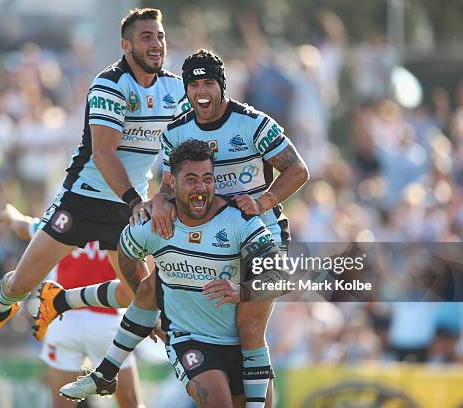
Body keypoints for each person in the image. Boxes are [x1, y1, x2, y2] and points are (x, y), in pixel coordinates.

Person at [39, 49, 309, 407]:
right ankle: (105, 367)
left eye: (208, 83)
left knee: (248, 329)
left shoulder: (253, 122)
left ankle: (83, 331)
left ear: (221, 85)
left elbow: (298, 170)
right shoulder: (177, 130)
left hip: (257, 235)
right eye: (193, 84)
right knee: (151, 287)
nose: (201, 91)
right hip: (203, 232)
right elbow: (169, 185)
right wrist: (161, 202)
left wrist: (263, 202)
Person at [0, 8, 187, 352]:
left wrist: (163, 193)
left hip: (129, 206)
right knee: (21, 284)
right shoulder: (110, 83)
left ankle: (60, 301)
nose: (157, 44)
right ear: (126, 46)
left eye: (160, 36)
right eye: (147, 37)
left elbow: (182, 149)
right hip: (84, 200)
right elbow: (103, 153)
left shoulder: (175, 88)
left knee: (142, 296)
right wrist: (136, 201)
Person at [60, 140, 293, 407]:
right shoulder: (153, 225)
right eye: (191, 179)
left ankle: (104, 370)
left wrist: (242, 291)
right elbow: (126, 253)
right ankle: (104, 369)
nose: (201, 187)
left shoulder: (240, 222)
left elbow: (284, 277)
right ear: (172, 182)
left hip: (241, 346)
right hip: (191, 342)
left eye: (207, 179)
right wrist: (146, 303)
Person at [0, 204, 143, 408]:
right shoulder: (120, 222)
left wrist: (12, 216)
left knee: (62, 404)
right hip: (107, 322)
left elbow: (26, 228)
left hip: (63, 320)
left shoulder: (67, 220)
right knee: (132, 404)